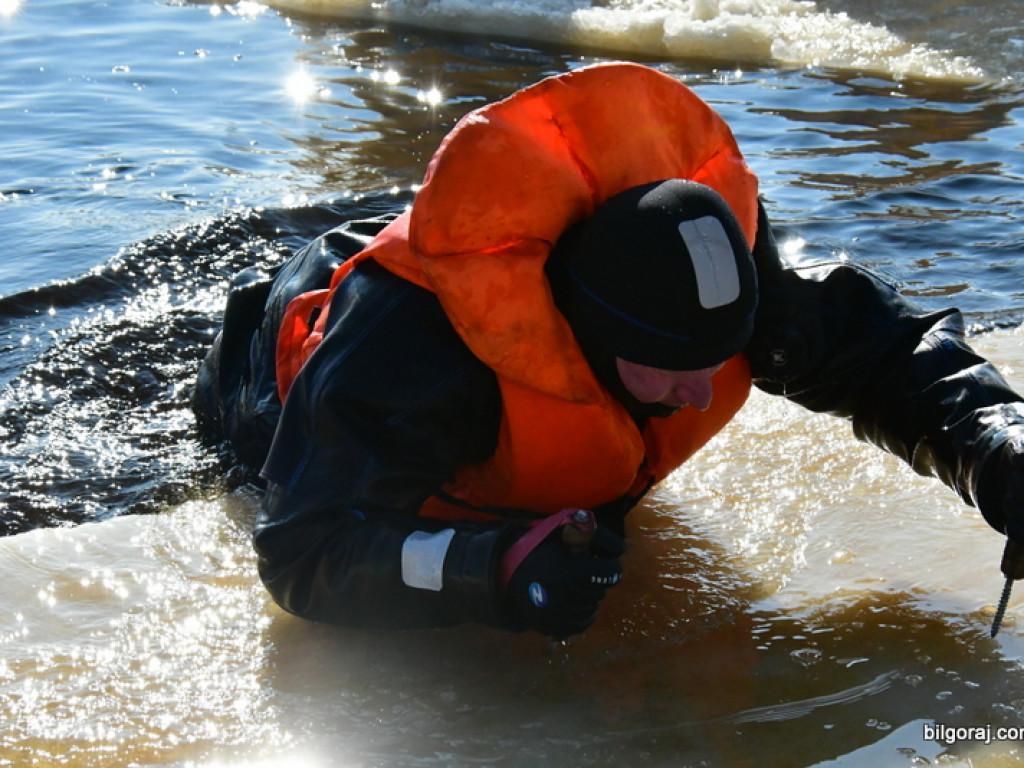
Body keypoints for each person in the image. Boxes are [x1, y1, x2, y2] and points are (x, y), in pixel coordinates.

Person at [193, 62, 1024, 640]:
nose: (705, 396)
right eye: (676, 373)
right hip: (280, 378)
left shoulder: (722, 282)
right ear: (588, 339)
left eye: (719, 360)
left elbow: (892, 355)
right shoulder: (416, 358)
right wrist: (488, 568)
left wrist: (1000, 449)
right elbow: (304, 552)